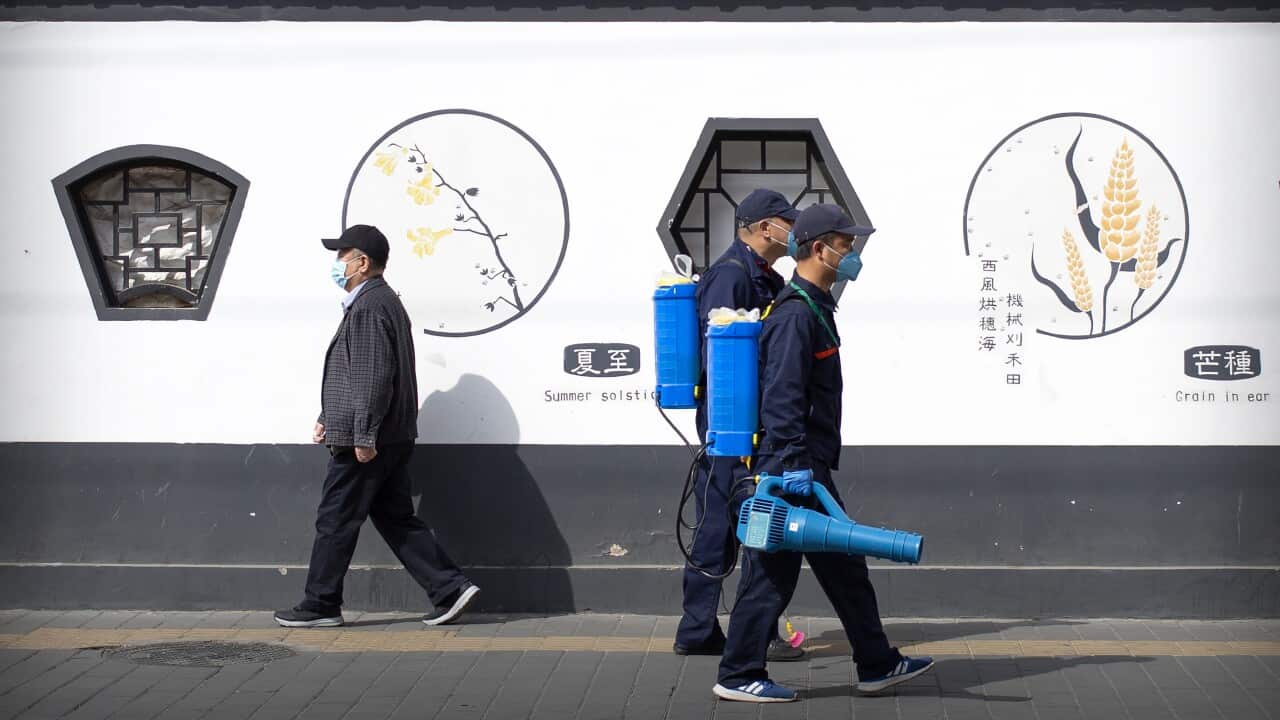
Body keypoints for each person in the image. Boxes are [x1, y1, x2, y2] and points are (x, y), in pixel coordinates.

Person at [712, 205, 933, 703]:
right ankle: (738, 673)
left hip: (804, 464)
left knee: (845, 567)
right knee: (770, 575)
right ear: (819, 249)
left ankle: (876, 663)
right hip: (792, 467)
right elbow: (782, 395)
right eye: (845, 245)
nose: (851, 254)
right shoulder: (794, 314)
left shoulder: (814, 307)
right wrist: (792, 466)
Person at [274, 224, 479, 628]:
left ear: (362, 263)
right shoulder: (379, 302)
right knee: (395, 517)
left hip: (366, 441)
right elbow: (357, 374)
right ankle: (450, 588)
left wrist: (364, 435)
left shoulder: (369, 306)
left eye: (342, 256)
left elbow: (371, 378)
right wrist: (326, 418)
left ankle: (321, 604)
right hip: (385, 435)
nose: (337, 264)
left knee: (335, 519)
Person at [675, 189, 803, 662]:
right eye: (788, 223)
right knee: (733, 530)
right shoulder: (730, 276)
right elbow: (724, 358)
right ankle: (727, 632)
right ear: (766, 227)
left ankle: (702, 629)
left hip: (748, 426)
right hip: (733, 430)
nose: (794, 232)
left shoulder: (759, 274)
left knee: (733, 528)